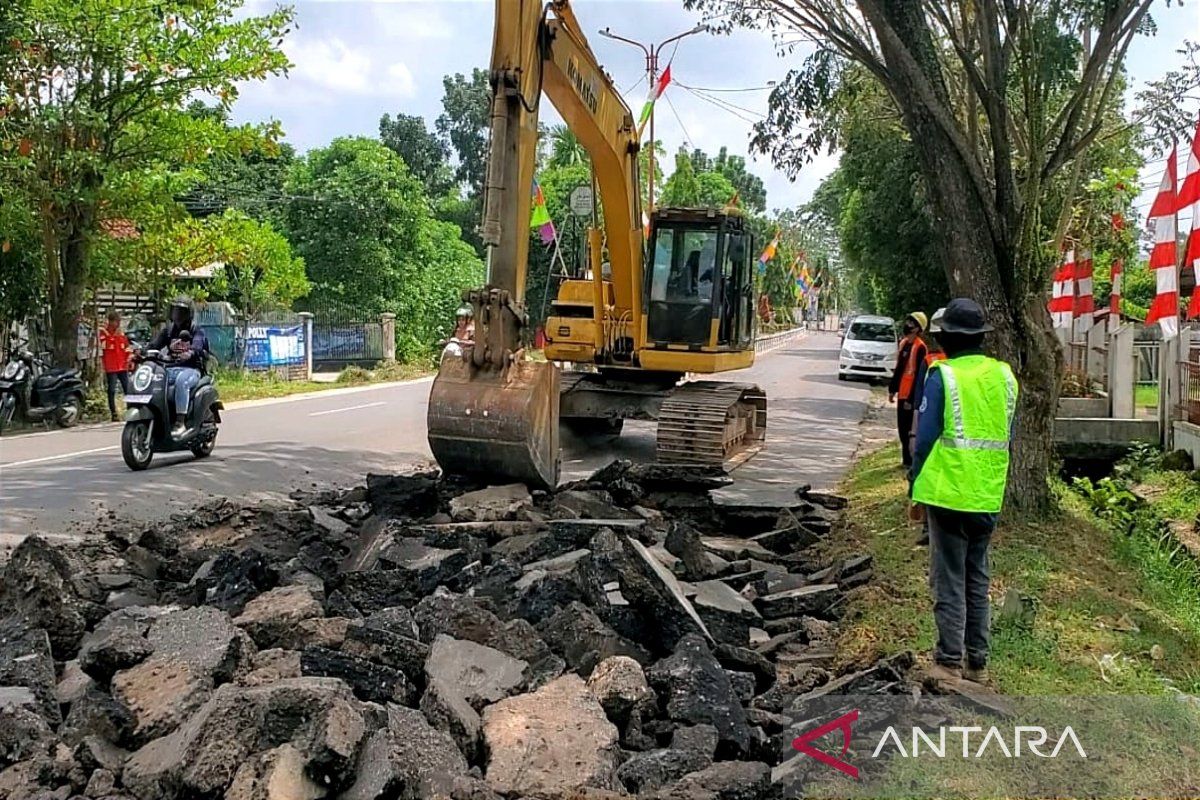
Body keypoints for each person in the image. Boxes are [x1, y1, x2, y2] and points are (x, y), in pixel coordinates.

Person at [911, 298, 1018, 684]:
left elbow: (923, 442)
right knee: (977, 576)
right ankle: (977, 663)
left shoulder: (943, 376)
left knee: (949, 577)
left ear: (946, 339)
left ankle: (948, 660)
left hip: (948, 493)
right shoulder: (1005, 376)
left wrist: (915, 491)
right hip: (988, 494)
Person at [908, 307, 947, 545]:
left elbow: (919, 402)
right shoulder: (930, 360)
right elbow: (918, 397)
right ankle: (927, 526)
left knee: (928, 477)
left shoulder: (934, 364)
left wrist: (915, 433)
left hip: (937, 436)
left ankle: (929, 526)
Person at [148, 297, 208, 435]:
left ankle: (180, 422)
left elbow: (198, 345)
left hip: (191, 370)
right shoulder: (168, 331)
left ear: (188, 314)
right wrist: (142, 351)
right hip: (170, 369)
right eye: (175, 311)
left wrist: (191, 352)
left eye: (181, 311)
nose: (177, 314)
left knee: (182, 381)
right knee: (154, 380)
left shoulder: (196, 330)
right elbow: (154, 345)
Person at [889, 312, 929, 468]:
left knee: (909, 430)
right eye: (908, 321)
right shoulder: (904, 343)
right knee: (901, 428)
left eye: (912, 323)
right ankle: (905, 460)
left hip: (911, 396)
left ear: (918, 329)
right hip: (901, 393)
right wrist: (892, 389)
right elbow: (899, 368)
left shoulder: (920, 348)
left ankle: (910, 461)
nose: (908, 325)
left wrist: (912, 400)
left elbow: (920, 375)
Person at [99, 311, 133, 422]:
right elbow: (105, 346)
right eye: (116, 321)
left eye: (119, 321)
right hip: (111, 367)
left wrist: (129, 357)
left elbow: (127, 348)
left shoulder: (122, 334)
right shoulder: (103, 333)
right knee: (112, 390)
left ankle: (130, 410)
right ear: (110, 321)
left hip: (122, 366)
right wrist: (113, 336)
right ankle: (113, 413)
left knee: (127, 389)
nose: (118, 324)